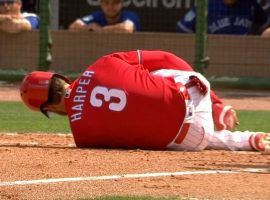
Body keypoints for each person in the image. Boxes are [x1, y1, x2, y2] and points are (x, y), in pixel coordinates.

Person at [20, 50, 270, 152]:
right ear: (61, 78)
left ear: (49, 108)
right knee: (150, 73)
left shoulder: (82, 137)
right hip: (195, 91)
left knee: (144, 125)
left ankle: (247, 141)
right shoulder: (103, 62)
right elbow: (166, 58)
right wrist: (215, 102)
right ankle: (221, 113)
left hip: (192, 139)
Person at [176, 0, 270, 35]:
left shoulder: (250, 3)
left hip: (243, 51)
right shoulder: (207, 3)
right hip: (215, 53)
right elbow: (183, 28)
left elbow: (266, 25)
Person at [68, 0, 140, 33]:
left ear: (121, 4)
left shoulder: (130, 15)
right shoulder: (96, 16)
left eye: (115, 2)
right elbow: (73, 27)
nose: (110, 6)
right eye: (106, 2)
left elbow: (127, 29)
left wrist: (101, 30)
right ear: (101, 4)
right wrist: (88, 28)